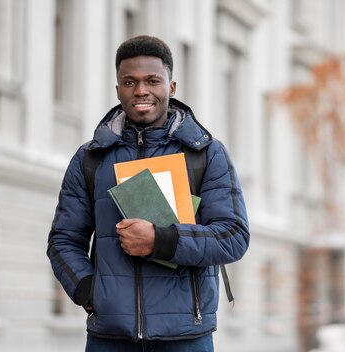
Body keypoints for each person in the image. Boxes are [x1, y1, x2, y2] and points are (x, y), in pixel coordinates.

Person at [47, 35, 250, 352]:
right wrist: (88, 290)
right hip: (109, 339)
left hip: (187, 338)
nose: (141, 91)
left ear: (171, 87)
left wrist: (161, 240)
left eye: (152, 80)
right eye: (129, 81)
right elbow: (63, 239)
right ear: (118, 90)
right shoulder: (90, 159)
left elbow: (234, 236)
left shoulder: (205, 154)